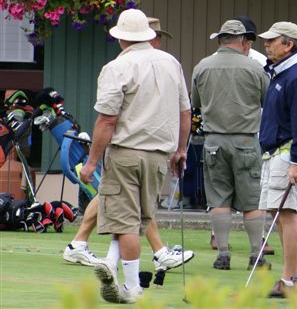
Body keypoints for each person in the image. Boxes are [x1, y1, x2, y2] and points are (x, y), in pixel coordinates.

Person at [64, 18, 194, 273]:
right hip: (159, 155)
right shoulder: (172, 63)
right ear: (148, 36)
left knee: (126, 221)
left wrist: (91, 162)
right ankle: (125, 263)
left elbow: (107, 119)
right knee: (135, 218)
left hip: (125, 151)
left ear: (121, 38)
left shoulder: (117, 66)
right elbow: (185, 111)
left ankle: (127, 280)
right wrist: (181, 150)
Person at [191, 19, 269, 270]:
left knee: (218, 199)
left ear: (220, 40)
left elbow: (196, 102)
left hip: (213, 140)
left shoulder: (202, 66)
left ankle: (222, 253)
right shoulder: (255, 68)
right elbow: (266, 99)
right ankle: (256, 254)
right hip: (246, 140)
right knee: (252, 201)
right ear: (244, 42)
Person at [257, 22, 297, 297]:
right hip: (275, 153)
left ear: (288, 44)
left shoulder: (296, 77)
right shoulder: (281, 73)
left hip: (287, 153)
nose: (266, 44)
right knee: (278, 216)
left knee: (286, 216)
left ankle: (289, 281)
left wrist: (295, 161)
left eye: (272, 40)